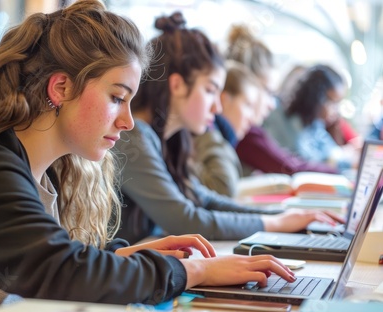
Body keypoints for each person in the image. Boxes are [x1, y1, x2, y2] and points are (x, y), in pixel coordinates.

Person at [0, 2, 300, 312]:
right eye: (117, 97)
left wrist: (122, 256)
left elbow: (45, 260)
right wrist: (192, 271)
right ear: (60, 87)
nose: (128, 120)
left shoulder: (40, 170)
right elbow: (60, 271)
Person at [113, 12, 342, 245]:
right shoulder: (132, 136)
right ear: (177, 85)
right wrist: (273, 223)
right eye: (210, 90)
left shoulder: (165, 139)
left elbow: (204, 200)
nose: (217, 107)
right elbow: (184, 220)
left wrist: (281, 216)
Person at [225, 25, 339, 175]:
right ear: (246, 86)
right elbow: (289, 166)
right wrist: (338, 170)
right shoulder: (247, 135)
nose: (272, 104)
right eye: (267, 92)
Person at [265, 64, 358, 171]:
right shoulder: (280, 116)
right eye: (333, 102)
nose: (336, 110)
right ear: (317, 97)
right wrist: (339, 161)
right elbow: (304, 158)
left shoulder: (315, 123)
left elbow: (331, 151)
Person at [192, 61, 261, 197]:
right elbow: (224, 188)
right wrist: (209, 129)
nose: (252, 119)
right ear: (224, 100)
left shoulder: (225, 139)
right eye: (248, 105)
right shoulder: (202, 134)